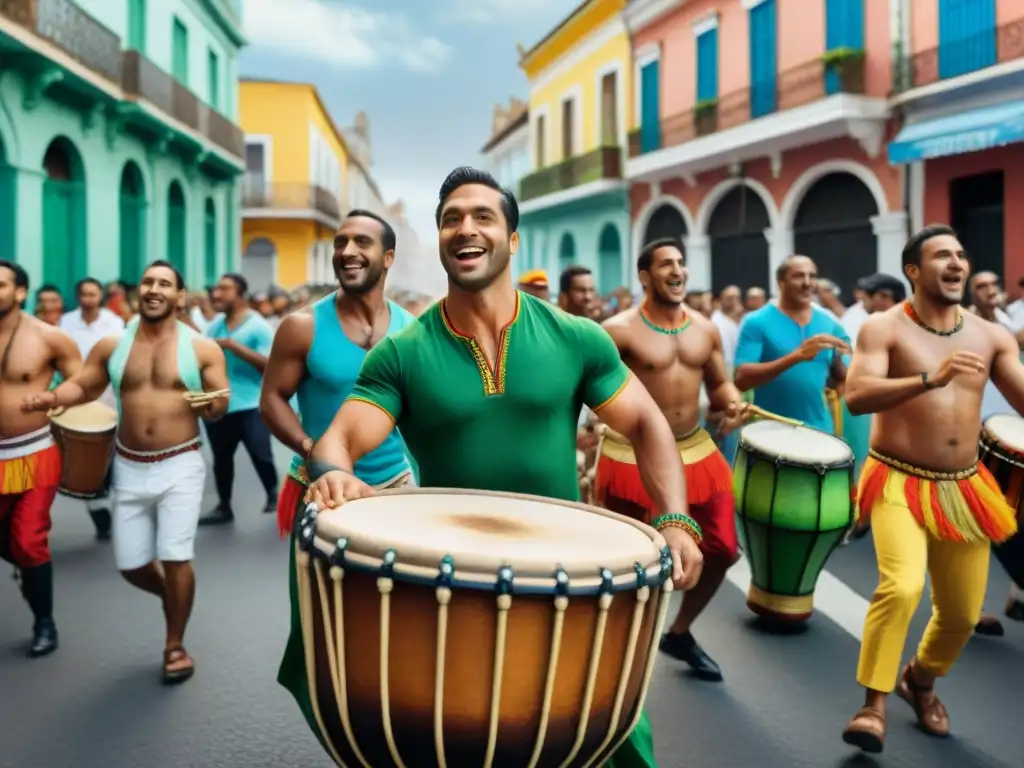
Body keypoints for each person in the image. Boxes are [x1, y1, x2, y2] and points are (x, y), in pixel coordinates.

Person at [302, 166, 704, 768]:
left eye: (482, 216)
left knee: (616, 745)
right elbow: (337, 440)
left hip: (572, 580)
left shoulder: (577, 338)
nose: (465, 228)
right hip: (450, 588)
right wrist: (333, 470)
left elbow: (648, 423)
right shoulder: (403, 353)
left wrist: (675, 518)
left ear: (512, 240)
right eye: (450, 219)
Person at [839, 225, 1023, 753]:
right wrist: (928, 379)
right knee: (900, 586)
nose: (956, 263)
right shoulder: (883, 328)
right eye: (942, 255)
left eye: (962, 255)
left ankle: (919, 680)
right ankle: (872, 706)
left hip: (965, 486)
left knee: (964, 612)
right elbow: (856, 396)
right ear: (914, 271)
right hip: (896, 474)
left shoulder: (990, 335)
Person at [25, 260, 230, 683]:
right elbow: (84, 385)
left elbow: (218, 404)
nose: (154, 289)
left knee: (175, 555)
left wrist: (210, 404)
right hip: (129, 467)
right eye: (148, 282)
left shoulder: (202, 348)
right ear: (140, 293)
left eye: (165, 284)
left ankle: (175, 645)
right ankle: (176, 596)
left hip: (181, 463)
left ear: (178, 295)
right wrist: (52, 398)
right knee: (131, 565)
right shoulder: (112, 344)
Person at [260, 208, 417, 738]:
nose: (347, 251)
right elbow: (272, 400)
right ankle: (343, 724)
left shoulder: (412, 329)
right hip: (323, 492)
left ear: (387, 257)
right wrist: (311, 450)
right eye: (340, 241)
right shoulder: (302, 326)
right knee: (325, 622)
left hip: (399, 489)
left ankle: (396, 721)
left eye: (361, 243)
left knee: (404, 614)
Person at [598, 238, 746, 682]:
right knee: (629, 564)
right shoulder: (617, 330)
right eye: (666, 264)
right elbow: (590, 392)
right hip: (631, 456)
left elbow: (720, 385)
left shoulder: (706, 328)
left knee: (722, 550)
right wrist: (588, 429)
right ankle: (615, 656)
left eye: (681, 263)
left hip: (697, 450)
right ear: (645, 276)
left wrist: (733, 401)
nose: (677, 270)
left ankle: (679, 633)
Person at [0, 260, 81, 657]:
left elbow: (80, 381)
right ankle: (25, 567)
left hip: (33, 452)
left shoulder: (49, 338)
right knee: (14, 544)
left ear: (19, 292)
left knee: (29, 538)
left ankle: (44, 622)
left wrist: (53, 397)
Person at [966, 271, 1024, 635]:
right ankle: (968, 608)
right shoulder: (968, 327)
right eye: (982, 287)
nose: (991, 292)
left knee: (1015, 515)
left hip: (1011, 432)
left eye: (993, 286)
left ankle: (1016, 592)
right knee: (975, 525)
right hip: (976, 433)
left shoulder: (1008, 321)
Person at [734, 256, 851, 431]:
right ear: (780, 282)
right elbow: (741, 380)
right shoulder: (756, 322)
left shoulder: (830, 324)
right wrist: (796, 356)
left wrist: (838, 392)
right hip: (770, 433)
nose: (807, 282)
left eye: (812, 276)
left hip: (820, 433)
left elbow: (845, 375)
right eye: (798, 276)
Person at [201, 273, 278, 525]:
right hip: (221, 404)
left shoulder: (258, 327)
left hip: (251, 404)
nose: (217, 294)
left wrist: (234, 347)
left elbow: (270, 366)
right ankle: (224, 506)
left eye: (224, 289)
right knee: (221, 459)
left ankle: (273, 495)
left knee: (260, 452)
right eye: (216, 289)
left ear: (240, 294)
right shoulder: (215, 326)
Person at [60, 277, 126, 540]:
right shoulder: (66, 323)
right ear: (78, 297)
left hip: (112, 397)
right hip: (80, 399)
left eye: (93, 294)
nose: (89, 299)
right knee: (90, 456)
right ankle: (100, 512)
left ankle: (116, 505)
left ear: (100, 296)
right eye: (84, 294)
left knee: (115, 454)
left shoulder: (114, 322)